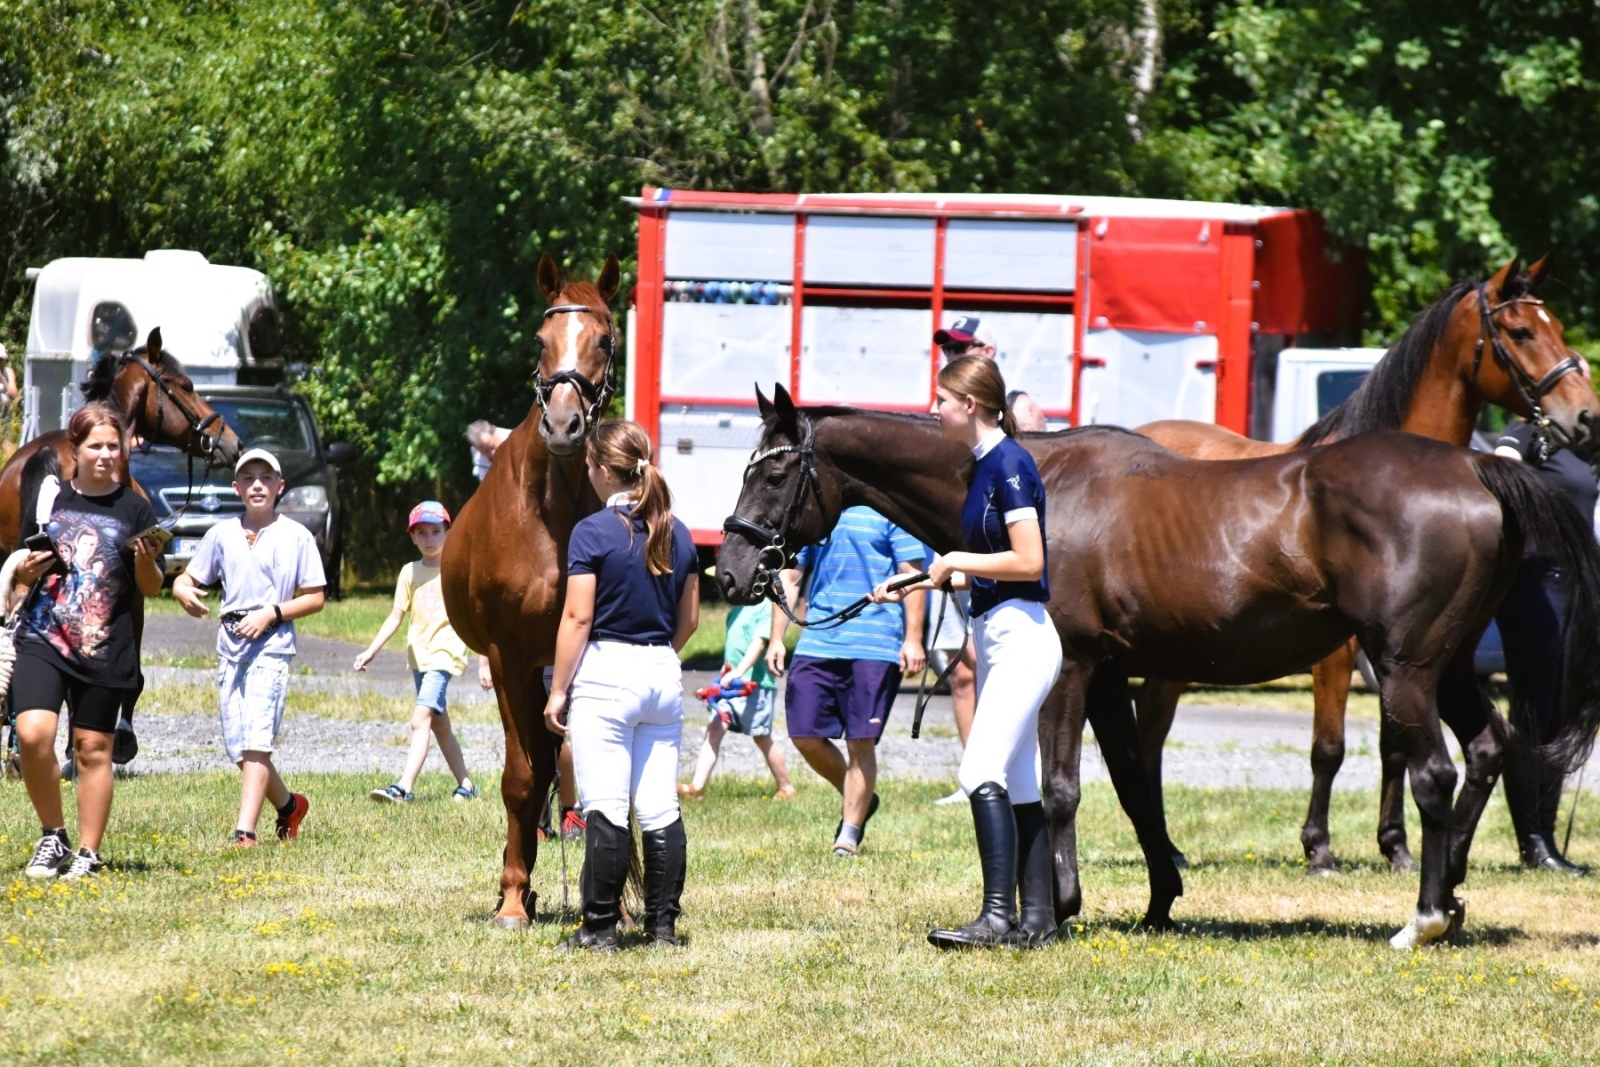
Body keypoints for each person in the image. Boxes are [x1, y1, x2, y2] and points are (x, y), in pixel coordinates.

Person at [873, 355, 1063, 949]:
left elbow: (1029, 561)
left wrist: (957, 560)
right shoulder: (982, 465)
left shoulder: (1009, 465)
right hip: (1001, 632)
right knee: (1021, 783)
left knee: (979, 770)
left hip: (1023, 640)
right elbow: (993, 564)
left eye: (942, 400)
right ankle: (1039, 920)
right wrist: (921, 580)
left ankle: (997, 917)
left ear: (971, 406)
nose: (934, 410)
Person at [543, 420, 699, 950]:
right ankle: (662, 929)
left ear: (605, 472)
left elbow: (577, 620)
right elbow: (691, 620)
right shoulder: (677, 531)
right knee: (659, 806)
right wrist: (655, 656)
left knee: (605, 805)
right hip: (662, 671)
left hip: (607, 672)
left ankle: (600, 928)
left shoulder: (591, 532)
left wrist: (559, 689)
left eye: (589, 465)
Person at [11, 403, 165, 881]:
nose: (104, 454)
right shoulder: (50, 499)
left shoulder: (136, 506)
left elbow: (151, 587)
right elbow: (19, 561)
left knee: (92, 749)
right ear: (73, 449)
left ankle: (87, 852)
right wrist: (22, 570)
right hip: (43, 634)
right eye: (94, 445)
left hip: (105, 644)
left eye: (112, 446)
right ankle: (52, 835)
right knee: (33, 733)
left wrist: (145, 559)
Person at [172, 447, 326, 847]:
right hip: (230, 645)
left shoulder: (297, 536)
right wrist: (182, 591)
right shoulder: (220, 534)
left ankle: (245, 832)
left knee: (257, 742)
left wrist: (272, 613)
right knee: (238, 748)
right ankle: (291, 806)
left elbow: (314, 597)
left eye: (266, 477)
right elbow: (189, 578)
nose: (258, 484)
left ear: (280, 486)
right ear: (236, 487)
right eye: (249, 478)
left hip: (272, 644)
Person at [767, 507, 926, 857]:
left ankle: (848, 836)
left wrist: (913, 638)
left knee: (860, 741)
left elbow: (912, 575)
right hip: (818, 639)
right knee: (804, 735)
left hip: (875, 642)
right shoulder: (818, 510)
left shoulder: (890, 509)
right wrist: (776, 637)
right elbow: (790, 576)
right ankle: (861, 797)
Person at [1492, 419, 1595, 875]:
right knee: (1535, 709)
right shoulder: (1534, 433)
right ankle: (1532, 841)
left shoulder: (1586, 445)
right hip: (1536, 578)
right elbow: (1498, 468)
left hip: (1581, 586)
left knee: (1565, 711)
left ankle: (1546, 836)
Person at [356, 501, 479, 804]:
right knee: (439, 723)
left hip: (445, 655)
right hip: (419, 657)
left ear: (449, 532)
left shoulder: (457, 570)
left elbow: (476, 616)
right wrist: (372, 649)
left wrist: (485, 661)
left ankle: (404, 787)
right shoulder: (409, 572)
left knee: (419, 718)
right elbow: (396, 616)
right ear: (412, 537)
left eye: (436, 531)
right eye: (421, 532)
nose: (429, 538)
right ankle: (466, 784)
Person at [678, 598, 797, 800]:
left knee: (761, 736)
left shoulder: (768, 608)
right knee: (714, 729)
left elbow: (759, 643)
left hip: (755, 686)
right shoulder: (736, 611)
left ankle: (786, 787)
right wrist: (724, 677)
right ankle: (696, 788)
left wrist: (739, 672)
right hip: (730, 686)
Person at [934, 315, 1048, 432]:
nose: (952, 356)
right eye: (947, 348)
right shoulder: (942, 404)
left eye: (959, 347)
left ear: (987, 352)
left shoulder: (1018, 406)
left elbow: (1035, 449)